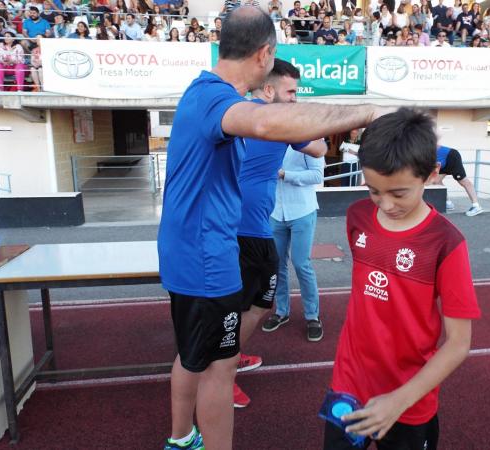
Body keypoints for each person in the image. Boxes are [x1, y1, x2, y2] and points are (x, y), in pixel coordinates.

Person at [158, 6, 386, 450]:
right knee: (219, 368)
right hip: (207, 257)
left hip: (192, 252)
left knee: (192, 356)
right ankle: (192, 441)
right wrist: (367, 112)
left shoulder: (204, 94)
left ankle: (181, 439)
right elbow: (266, 121)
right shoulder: (216, 98)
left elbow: (279, 129)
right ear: (265, 54)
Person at [324, 108, 480, 449]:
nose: (385, 204)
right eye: (374, 190)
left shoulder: (447, 243)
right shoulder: (357, 217)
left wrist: (399, 399)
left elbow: (458, 342)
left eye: (399, 193)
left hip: (409, 398)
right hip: (349, 382)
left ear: (432, 175)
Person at [235, 58, 327, 407]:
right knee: (248, 303)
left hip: (251, 224)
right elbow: (319, 148)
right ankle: (224, 369)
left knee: (257, 297)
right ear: (269, 89)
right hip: (250, 230)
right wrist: (307, 121)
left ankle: (231, 356)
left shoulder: (239, 113)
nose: (294, 100)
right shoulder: (278, 121)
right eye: (291, 92)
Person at [262, 138, 326, 341]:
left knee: (301, 264)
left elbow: (317, 175)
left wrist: (284, 174)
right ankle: (282, 311)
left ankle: (312, 316)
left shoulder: (310, 139)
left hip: (302, 210)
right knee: (277, 265)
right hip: (275, 211)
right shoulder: (268, 139)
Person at [430, 145, 483, 216]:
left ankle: (476, 206)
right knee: (436, 181)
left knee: (463, 181)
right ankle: (448, 203)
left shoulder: (419, 146)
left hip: (451, 156)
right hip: (442, 162)